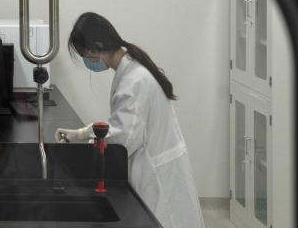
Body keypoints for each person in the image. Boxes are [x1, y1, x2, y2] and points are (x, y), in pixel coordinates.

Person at [56, 12, 206, 228]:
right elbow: (125, 125)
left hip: (156, 175)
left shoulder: (133, 82)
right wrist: (84, 133)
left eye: (86, 55)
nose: (88, 61)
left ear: (98, 46)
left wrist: (87, 143)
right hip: (157, 164)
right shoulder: (131, 68)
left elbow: (125, 139)